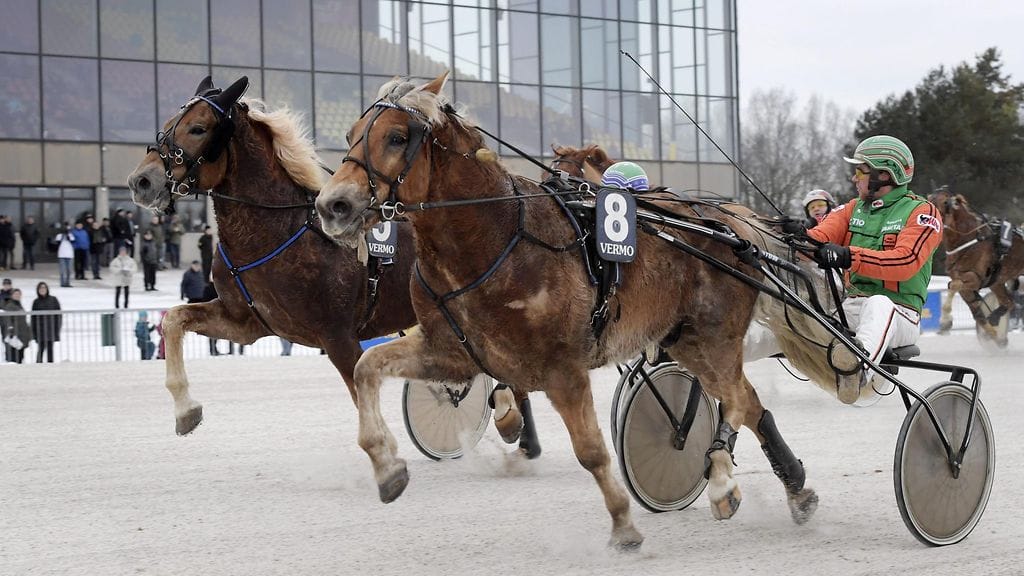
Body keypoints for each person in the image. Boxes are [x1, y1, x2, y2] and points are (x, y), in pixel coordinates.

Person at [799, 135, 942, 404]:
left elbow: (905, 262)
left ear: (885, 174)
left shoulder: (922, 212)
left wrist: (848, 256)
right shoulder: (852, 209)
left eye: (860, 171)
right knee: (796, 303)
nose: (855, 179)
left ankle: (856, 371)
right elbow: (817, 238)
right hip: (850, 309)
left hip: (900, 313)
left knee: (879, 304)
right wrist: (793, 234)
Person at [31, 281, 61, 363]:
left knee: (50, 351)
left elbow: (58, 315)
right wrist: (34, 333)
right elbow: (33, 318)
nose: (42, 290)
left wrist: (57, 329)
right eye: (40, 288)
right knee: (40, 350)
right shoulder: (36, 302)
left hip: (51, 329)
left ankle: (50, 367)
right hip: (40, 330)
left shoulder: (53, 300)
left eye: (44, 288)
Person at [2, 288, 33, 363]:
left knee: (20, 357)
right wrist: (11, 330)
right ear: (12, 295)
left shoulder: (19, 305)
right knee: (14, 358)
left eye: (19, 294)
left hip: (21, 335)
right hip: (14, 336)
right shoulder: (10, 305)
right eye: (15, 294)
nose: (17, 296)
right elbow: (8, 319)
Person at [54, 223, 75, 288]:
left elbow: (73, 241)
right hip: (61, 254)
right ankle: (62, 282)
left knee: (69, 270)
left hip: (69, 255)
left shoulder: (71, 235)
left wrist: (68, 235)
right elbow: (57, 243)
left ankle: (67, 282)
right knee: (62, 270)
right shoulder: (59, 235)